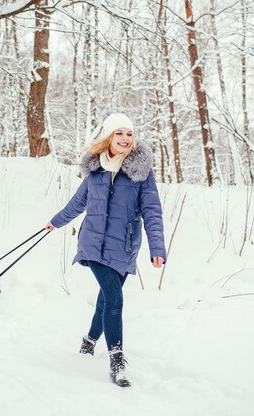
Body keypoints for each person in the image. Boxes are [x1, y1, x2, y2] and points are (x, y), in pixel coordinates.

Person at [46, 113, 166, 387]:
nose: (125, 139)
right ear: (108, 137)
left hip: (124, 246)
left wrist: (157, 246)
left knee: (105, 299)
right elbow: (77, 204)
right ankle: (117, 360)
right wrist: (55, 222)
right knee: (114, 297)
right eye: (119, 133)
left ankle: (89, 341)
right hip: (93, 244)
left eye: (129, 134)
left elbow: (152, 211)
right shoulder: (95, 170)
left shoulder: (141, 172)